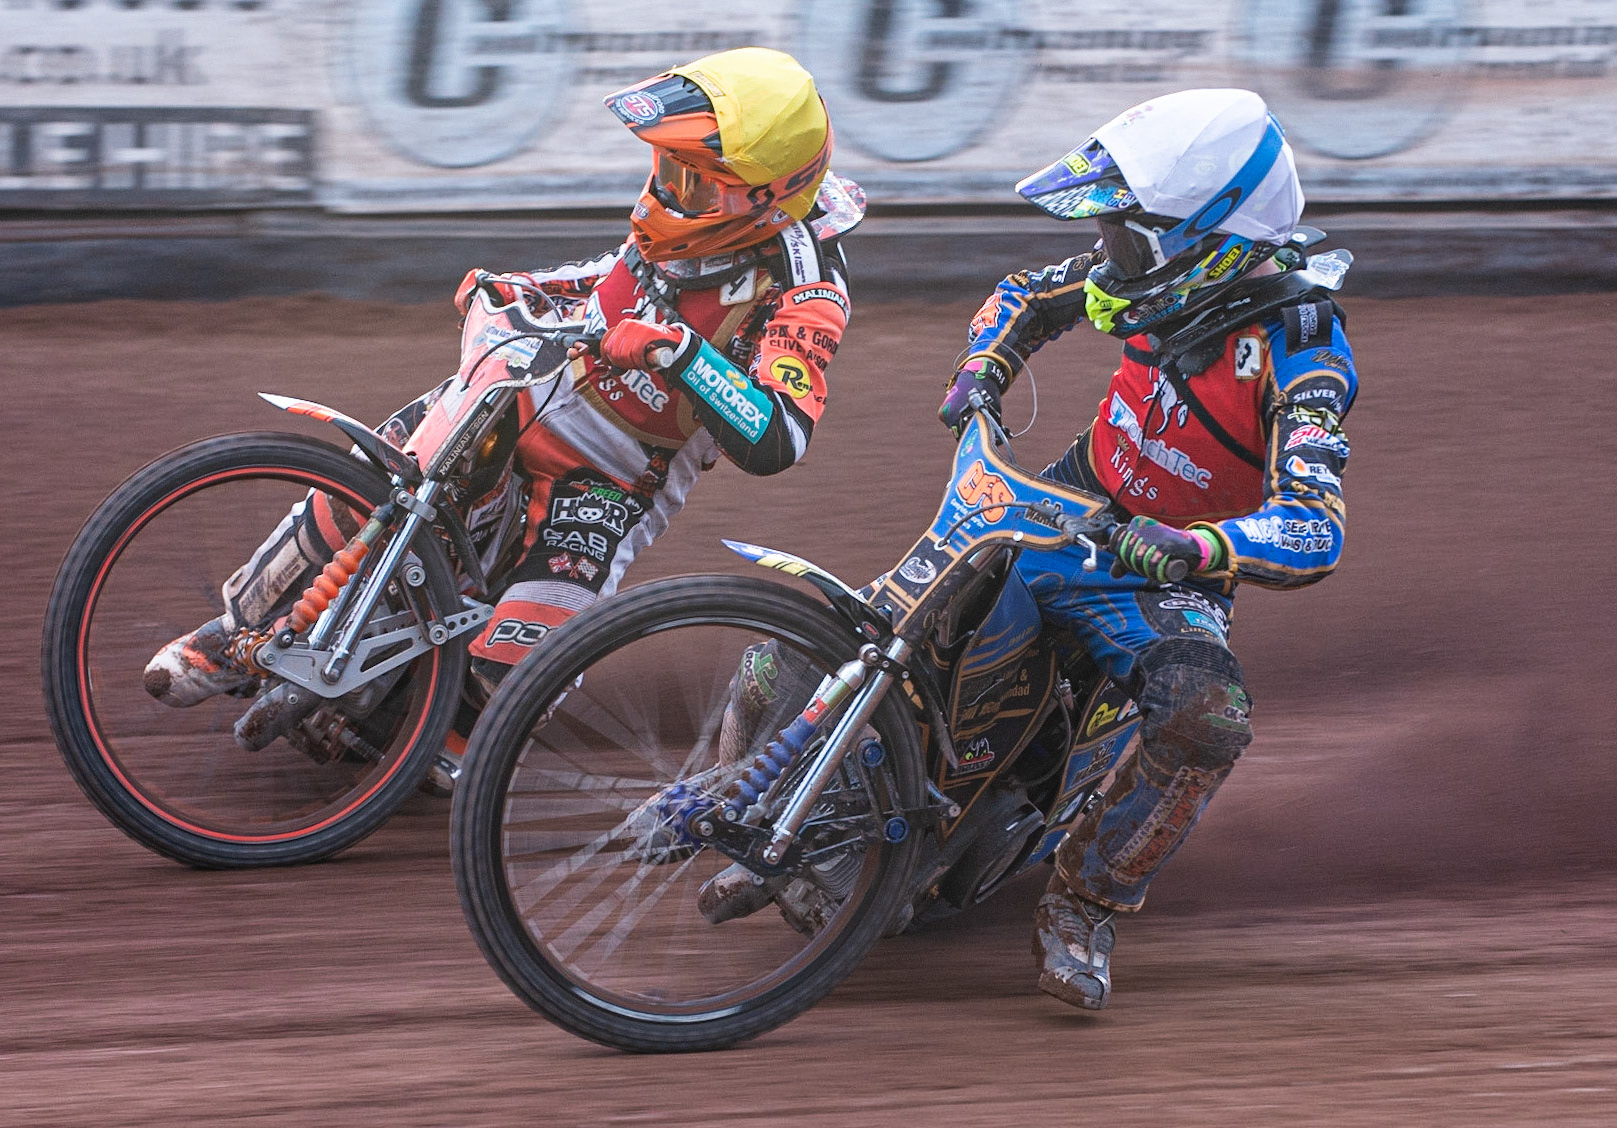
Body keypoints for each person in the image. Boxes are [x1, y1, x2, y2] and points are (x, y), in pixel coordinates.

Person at [142, 47, 864, 793]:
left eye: (693, 184)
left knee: (524, 658)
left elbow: (780, 434)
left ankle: (438, 729)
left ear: (767, 199)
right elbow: (610, 276)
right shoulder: (690, 220)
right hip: (529, 389)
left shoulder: (808, 288)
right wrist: (523, 283)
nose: (668, 193)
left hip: (615, 475)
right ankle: (231, 639)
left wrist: (681, 354)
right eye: (668, 170)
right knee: (374, 480)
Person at [938, 88, 1357, 1010]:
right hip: (1061, 499)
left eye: (1129, 240)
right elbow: (1021, 296)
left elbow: (1315, 525)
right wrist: (982, 372)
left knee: (1208, 715)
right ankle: (737, 779)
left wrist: (1197, 545)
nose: (1107, 258)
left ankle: (1085, 899)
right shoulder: (1143, 278)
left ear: (1213, 243)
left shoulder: (1302, 348)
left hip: (1162, 564)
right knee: (900, 614)